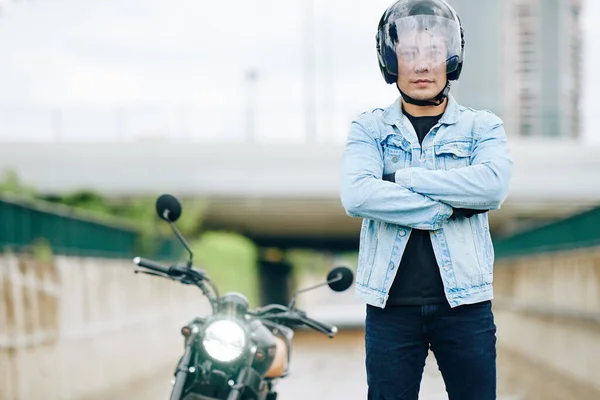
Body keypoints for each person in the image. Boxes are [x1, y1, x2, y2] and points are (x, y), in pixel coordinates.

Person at [339, 0, 513, 399]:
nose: (421, 66)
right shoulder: (368, 129)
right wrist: (443, 208)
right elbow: (357, 194)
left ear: (451, 58)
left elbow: (492, 187)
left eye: (433, 53)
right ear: (390, 60)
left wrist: (403, 178)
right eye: (409, 54)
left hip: (466, 306)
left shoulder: (482, 126)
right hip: (389, 309)